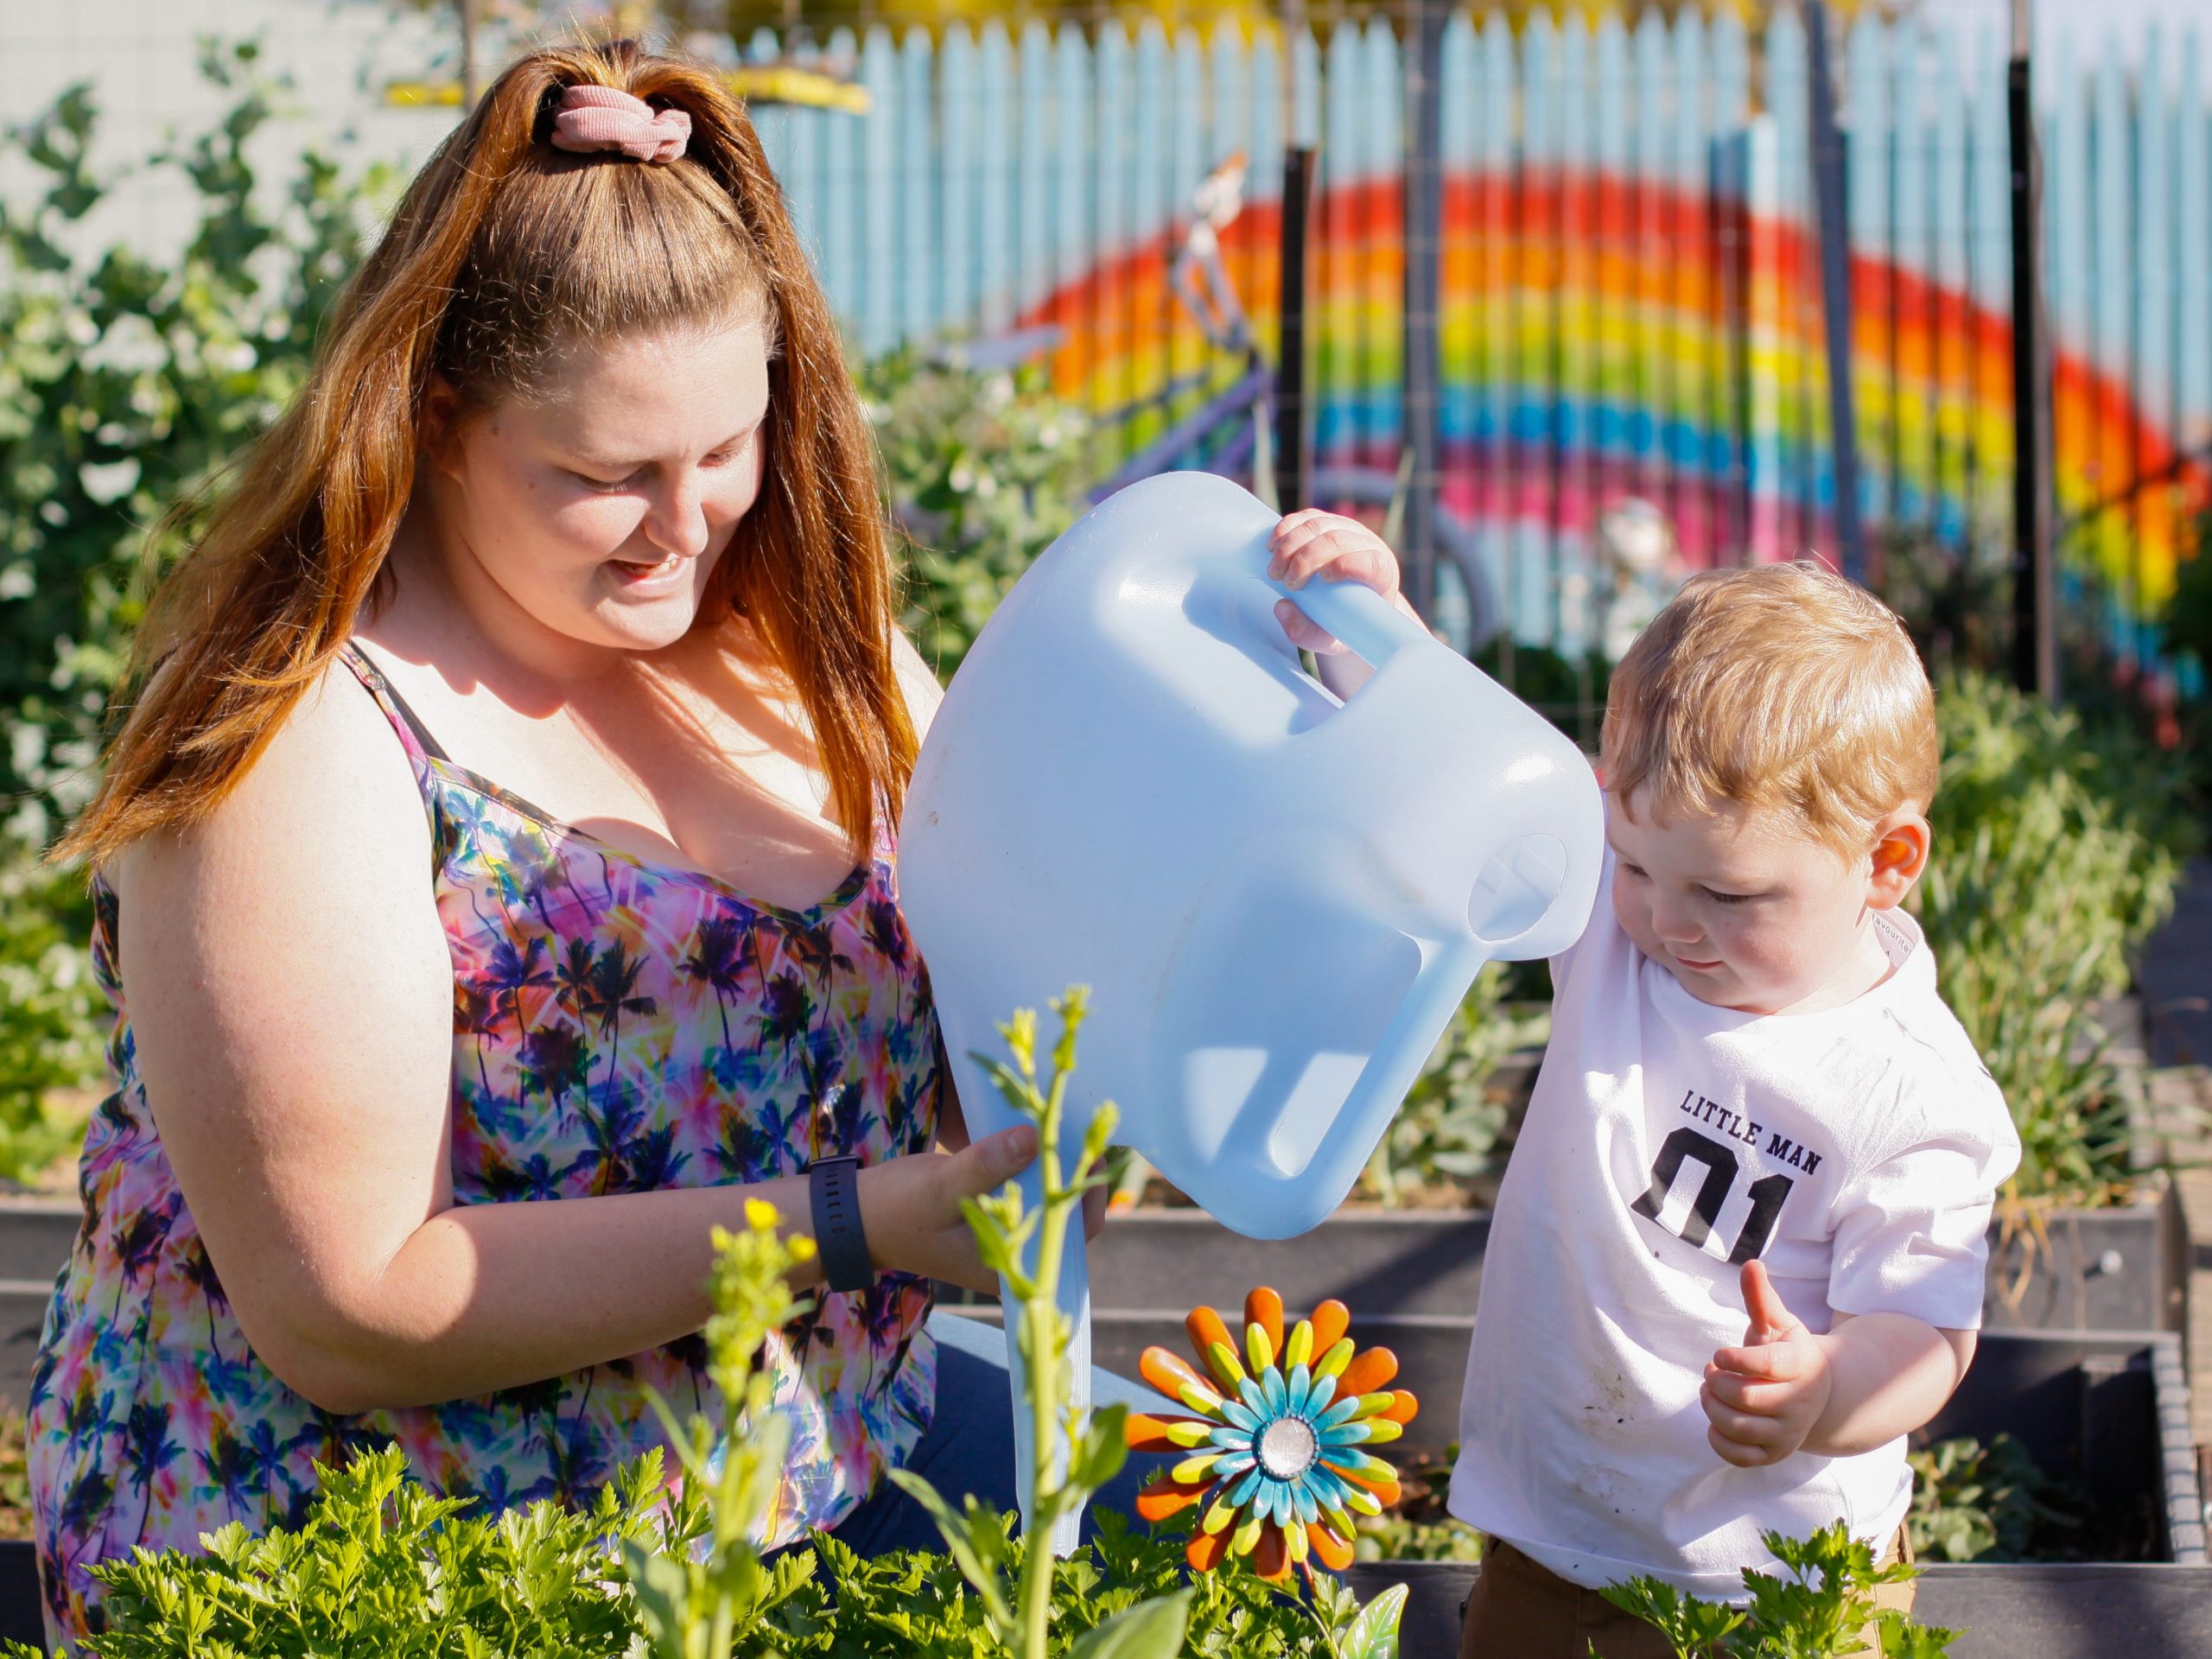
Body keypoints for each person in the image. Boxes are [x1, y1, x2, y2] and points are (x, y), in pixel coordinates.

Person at [24, 41, 1403, 1651]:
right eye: (606, 475)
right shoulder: (298, 736)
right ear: (440, 420)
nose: (686, 527)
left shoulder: (827, 660)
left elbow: (1019, 1073)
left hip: (804, 1464)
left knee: (1266, 1581)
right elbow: (349, 1308)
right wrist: (852, 1224)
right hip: (380, 1547)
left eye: (724, 451)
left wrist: (1308, 737)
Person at [1448, 563, 2020, 1658]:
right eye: (1631, 865)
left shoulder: (1909, 1090)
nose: (1667, 922)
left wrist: (1826, 1389)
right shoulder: (1614, 934)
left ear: (1885, 861)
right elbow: (1470, 767)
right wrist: (1363, 626)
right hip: (1556, 1532)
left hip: (1783, 1581)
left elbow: (1923, 1332)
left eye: (1726, 893)